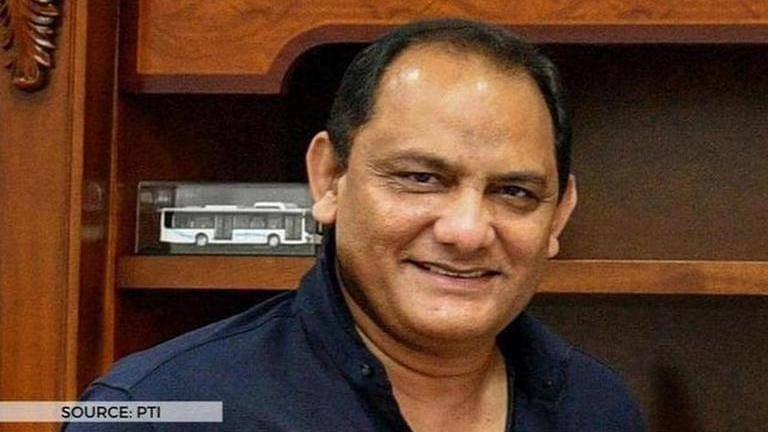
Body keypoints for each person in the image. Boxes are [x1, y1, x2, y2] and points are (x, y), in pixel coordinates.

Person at [64, 19, 644, 431]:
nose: (467, 231)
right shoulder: (159, 410)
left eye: (514, 192)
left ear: (558, 214)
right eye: (421, 178)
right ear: (329, 179)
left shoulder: (594, 409)